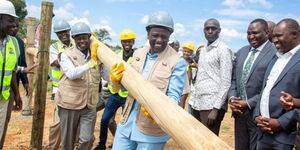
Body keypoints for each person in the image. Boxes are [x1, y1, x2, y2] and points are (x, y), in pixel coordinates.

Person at [111, 11, 186, 150]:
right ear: (147, 34)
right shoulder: (138, 53)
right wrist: (117, 82)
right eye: (155, 35)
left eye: (164, 36)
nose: (159, 40)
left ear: (170, 36)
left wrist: (158, 110)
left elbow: (174, 97)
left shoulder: (177, 62)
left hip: (151, 129)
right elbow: (128, 85)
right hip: (127, 121)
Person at [228, 19, 276, 150]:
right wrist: (233, 99)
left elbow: (271, 87)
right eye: (248, 33)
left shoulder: (275, 53)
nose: (251, 36)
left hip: (260, 114)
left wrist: (248, 103)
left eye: (255, 33)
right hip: (239, 113)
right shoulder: (242, 51)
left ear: (267, 33)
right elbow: (233, 80)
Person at [253, 18, 300, 150]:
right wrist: (257, 116)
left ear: (295, 34)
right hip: (262, 131)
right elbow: (265, 90)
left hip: (284, 136)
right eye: (273, 36)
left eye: (279, 36)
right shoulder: (276, 58)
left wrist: (280, 123)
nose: (274, 40)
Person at [56, 22, 100, 150]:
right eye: (78, 38)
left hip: (89, 104)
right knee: (68, 142)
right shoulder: (66, 54)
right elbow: (71, 74)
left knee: (87, 139)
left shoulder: (96, 54)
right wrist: (89, 64)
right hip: (69, 104)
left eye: (84, 37)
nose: (82, 41)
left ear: (89, 37)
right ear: (74, 39)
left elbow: (105, 75)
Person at [189, 18, 233, 135]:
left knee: (208, 142)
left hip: (211, 106)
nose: (210, 31)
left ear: (219, 31)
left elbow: (226, 81)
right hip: (198, 103)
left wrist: (216, 109)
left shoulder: (223, 50)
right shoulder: (203, 50)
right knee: (197, 138)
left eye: (213, 28)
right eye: (207, 28)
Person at [94, 29, 135, 150]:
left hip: (129, 97)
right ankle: (101, 144)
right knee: (105, 119)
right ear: (121, 43)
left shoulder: (137, 57)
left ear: (133, 42)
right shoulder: (116, 54)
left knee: (126, 124)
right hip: (115, 94)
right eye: (124, 41)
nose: (126, 43)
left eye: (129, 41)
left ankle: (121, 145)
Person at [48, 20, 75, 150]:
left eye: (65, 31)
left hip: (76, 88)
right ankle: (53, 146)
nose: (63, 34)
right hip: (59, 89)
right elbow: (56, 63)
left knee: (76, 121)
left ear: (69, 31)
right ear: (57, 34)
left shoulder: (76, 43)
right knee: (58, 121)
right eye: (59, 33)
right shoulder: (54, 47)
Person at [0, 0, 22, 147]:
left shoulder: (13, 43)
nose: (13, 24)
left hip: (4, 98)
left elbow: (12, 71)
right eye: (10, 20)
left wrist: (17, 94)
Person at [179, 42, 195, 108]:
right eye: (185, 51)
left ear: (191, 53)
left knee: (182, 103)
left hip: (186, 86)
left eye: (188, 52)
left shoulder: (192, 62)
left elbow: (190, 76)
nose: (186, 53)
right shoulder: (179, 59)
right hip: (178, 84)